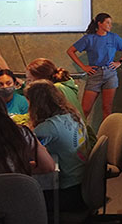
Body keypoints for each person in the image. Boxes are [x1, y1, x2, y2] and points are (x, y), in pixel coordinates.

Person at [26, 80, 90, 212]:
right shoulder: (72, 114)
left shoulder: (48, 127)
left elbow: (25, 152)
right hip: (83, 182)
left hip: (68, 192)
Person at [67, 13, 122, 120]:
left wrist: (120, 61)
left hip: (110, 73)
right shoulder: (89, 38)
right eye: (107, 23)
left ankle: (108, 134)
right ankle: (80, 133)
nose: (110, 25)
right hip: (95, 73)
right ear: (99, 23)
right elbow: (70, 51)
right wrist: (84, 67)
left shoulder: (114, 37)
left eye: (110, 23)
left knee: (107, 108)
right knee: (85, 109)